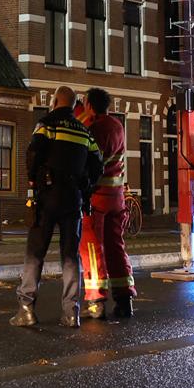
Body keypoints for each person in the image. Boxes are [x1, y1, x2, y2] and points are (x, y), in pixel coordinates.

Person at [11, 86, 103, 328]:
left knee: (35, 253)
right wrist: (87, 187)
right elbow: (98, 164)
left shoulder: (47, 124)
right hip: (73, 199)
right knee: (71, 256)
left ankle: (26, 309)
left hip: (48, 195)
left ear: (54, 101)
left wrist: (33, 179)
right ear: (73, 106)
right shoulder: (84, 132)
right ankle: (71, 312)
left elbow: (33, 152)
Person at [76, 87, 136, 319]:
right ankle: (124, 298)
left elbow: (89, 163)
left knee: (91, 248)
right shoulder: (117, 126)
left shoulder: (94, 128)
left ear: (90, 105)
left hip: (96, 197)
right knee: (115, 247)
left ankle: (96, 300)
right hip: (117, 197)